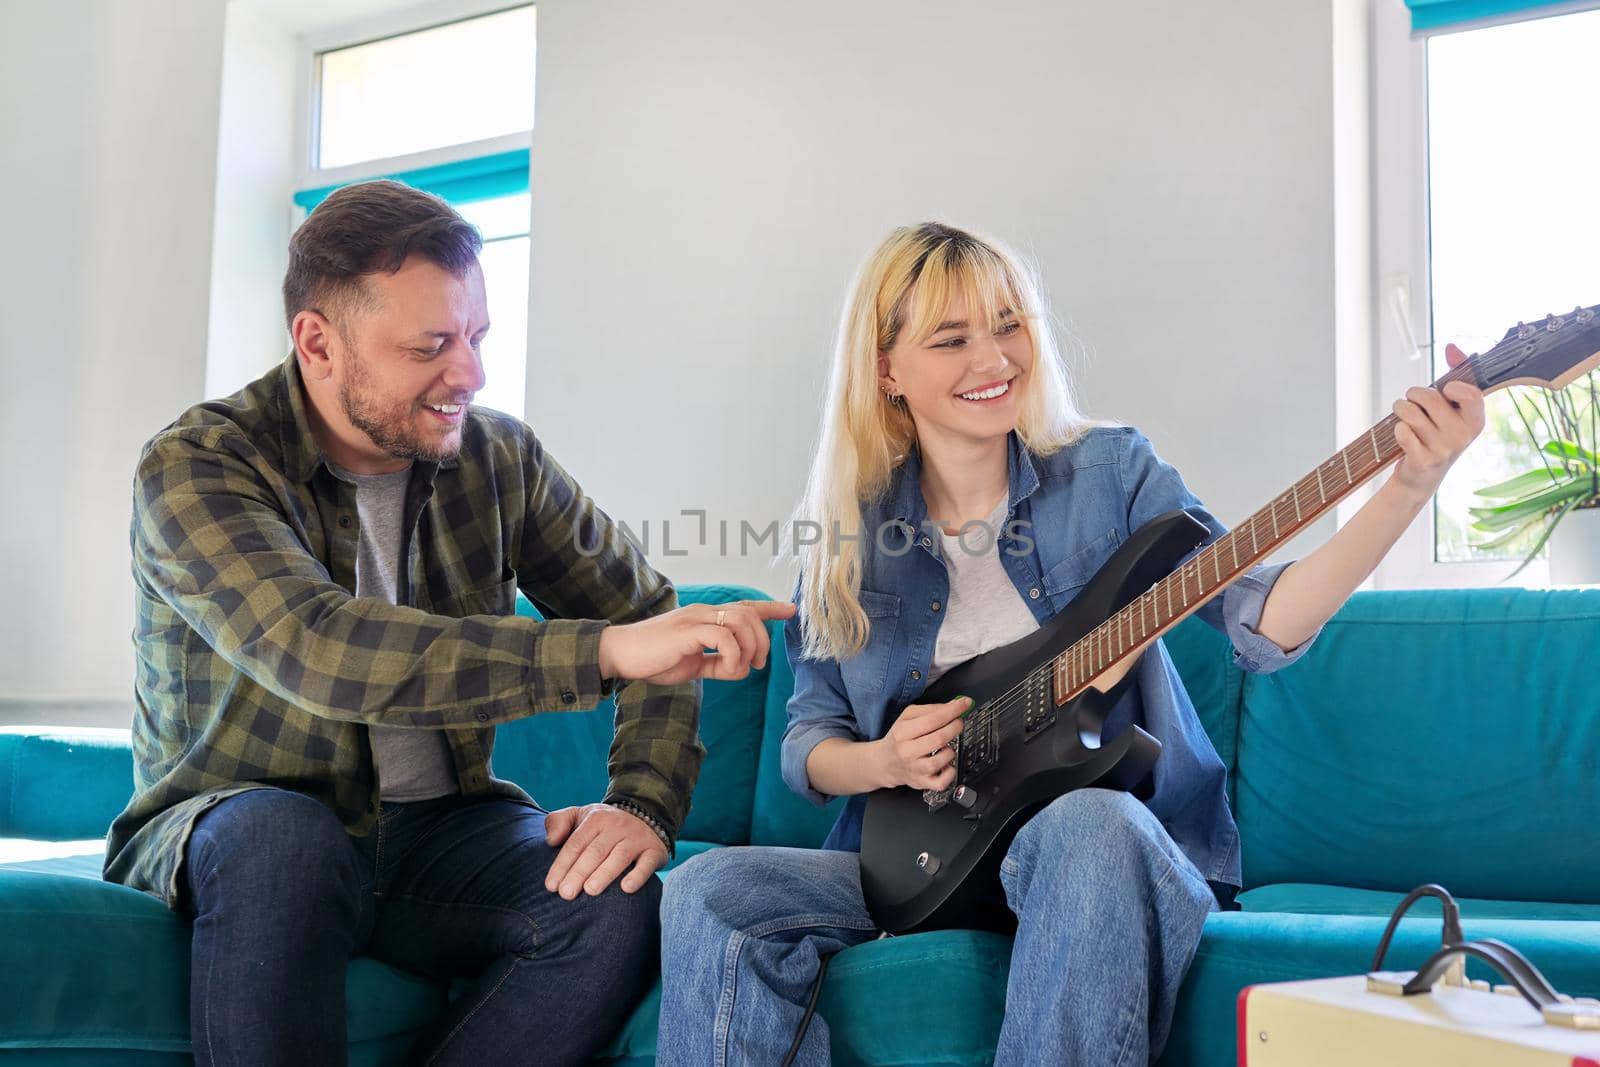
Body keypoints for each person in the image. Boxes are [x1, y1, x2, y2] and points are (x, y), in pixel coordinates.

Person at [656, 221, 1484, 1065]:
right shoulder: (851, 534)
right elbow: (808, 741)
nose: (995, 359)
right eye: (953, 338)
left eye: (1010, 324)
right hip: (913, 865)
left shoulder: (1112, 473)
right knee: (707, 890)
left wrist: (1410, 481)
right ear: (886, 369)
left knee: (1091, 822)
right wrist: (883, 762)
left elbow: (1263, 620)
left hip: (1095, 855)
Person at [103, 180, 792, 1067]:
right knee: (287, 842)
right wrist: (612, 651)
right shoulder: (198, 466)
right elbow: (321, 648)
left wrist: (641, 804)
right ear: (317, 342)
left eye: (476, 337)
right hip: (248, 822)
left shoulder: (498, 457)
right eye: (432, 345)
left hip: (440, 830)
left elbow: (654, 616)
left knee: (614, 902)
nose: (469, 373)